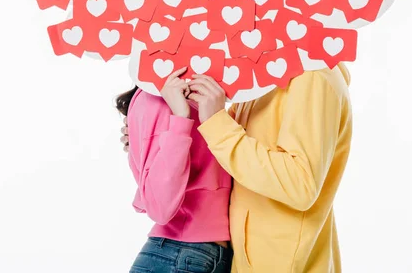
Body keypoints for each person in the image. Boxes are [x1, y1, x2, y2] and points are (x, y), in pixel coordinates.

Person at [121, 64, 353, 272]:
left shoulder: (311, 77)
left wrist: (208, 122)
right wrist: (157, 138)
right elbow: (233, 156)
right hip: (231, 258)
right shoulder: (263, 81)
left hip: (267, 261)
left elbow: (299, 184)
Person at [117, 67, 234, 273]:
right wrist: (180, 117)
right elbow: (159, 207)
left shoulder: (208, 99)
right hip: (181, 251)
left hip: (189, 252)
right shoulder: (156, 99)